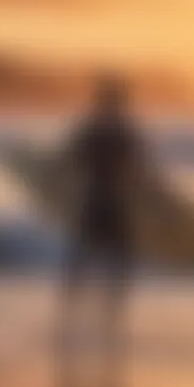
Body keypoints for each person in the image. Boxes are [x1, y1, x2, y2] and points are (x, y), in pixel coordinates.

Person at [60, 73, 145, 308]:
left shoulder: (94, 131)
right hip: (113, 198)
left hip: (96, 196)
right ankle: (112, 304)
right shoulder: (122, 132)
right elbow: (136, 167)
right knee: (117, 255)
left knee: (85, 253)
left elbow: (72, 161)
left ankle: (72, 300)